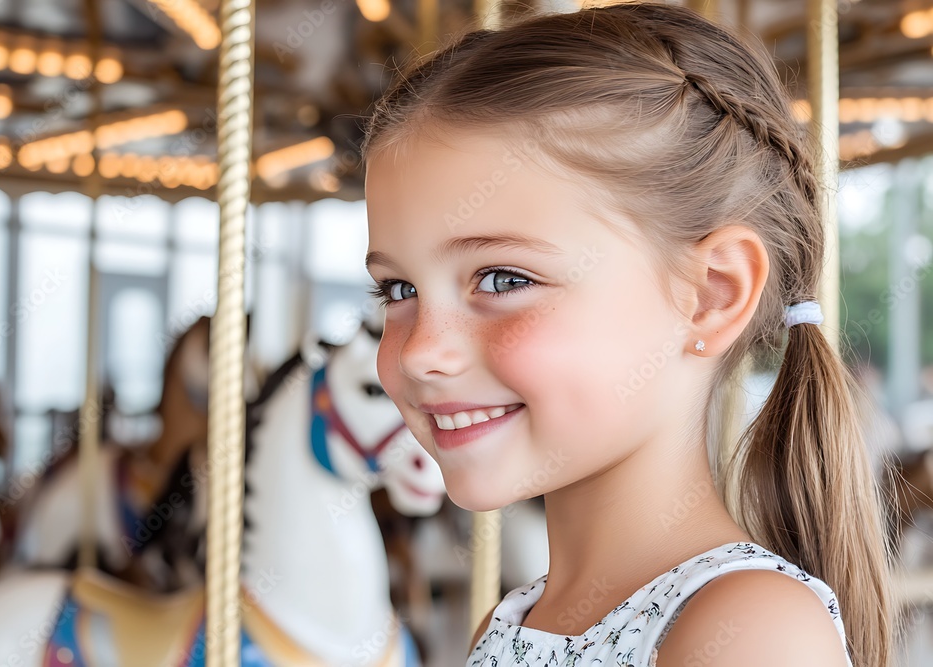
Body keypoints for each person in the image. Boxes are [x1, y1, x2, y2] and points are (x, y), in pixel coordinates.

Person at [360, 4, 897, 666]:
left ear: (711, 295)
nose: (420, 351)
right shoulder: (515, 620)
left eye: (501, 279)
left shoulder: (752, 631)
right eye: (399, 290)